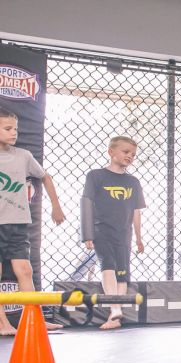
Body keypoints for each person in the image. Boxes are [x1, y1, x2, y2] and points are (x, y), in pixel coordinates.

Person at [0, 107, 66, 335]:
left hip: (18, 222)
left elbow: (45, 176)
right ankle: (3, 323)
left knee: (25, 270)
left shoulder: (23, 156)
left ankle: (34, 319)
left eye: (15, 129)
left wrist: (56, 206)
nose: (13, 133)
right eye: (7, 128)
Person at [81, 136, 146, 330]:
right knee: (107, 264)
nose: (130, 156)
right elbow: (87, 203)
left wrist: (139, 237)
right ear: (111, 152)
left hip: (124, 233)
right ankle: (115, 308)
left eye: (133, 154)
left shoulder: (133, 182)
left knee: (123, 273)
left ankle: (115, 317)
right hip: (102, 229)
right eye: (126, 152)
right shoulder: (95, 176)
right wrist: (88, 234)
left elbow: (136, 211)